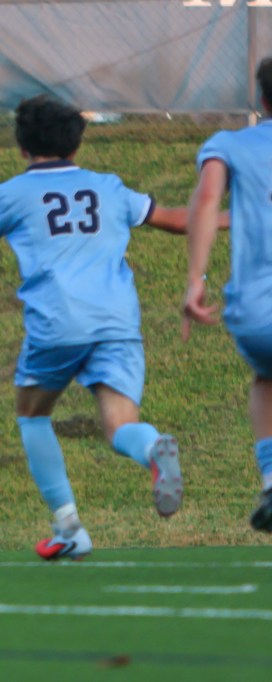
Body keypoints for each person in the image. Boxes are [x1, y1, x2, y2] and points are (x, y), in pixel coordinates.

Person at [0, 94, 199, 560]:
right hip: (118, 323)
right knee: (121, 425)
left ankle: (69, 527)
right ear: (77, 144)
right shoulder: (108, 186)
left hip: (57, 322)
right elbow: (177, 221)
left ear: (22, 146)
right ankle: (152, 450)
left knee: (32, 414)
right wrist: (237, 216)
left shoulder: (14, 193)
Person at [183, 57, 272, 533]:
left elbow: (205, 200)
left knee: (266, 378)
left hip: (257, 313)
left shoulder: (229, 144)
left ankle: (271, 479)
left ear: (260, 99)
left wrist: (195, 280)